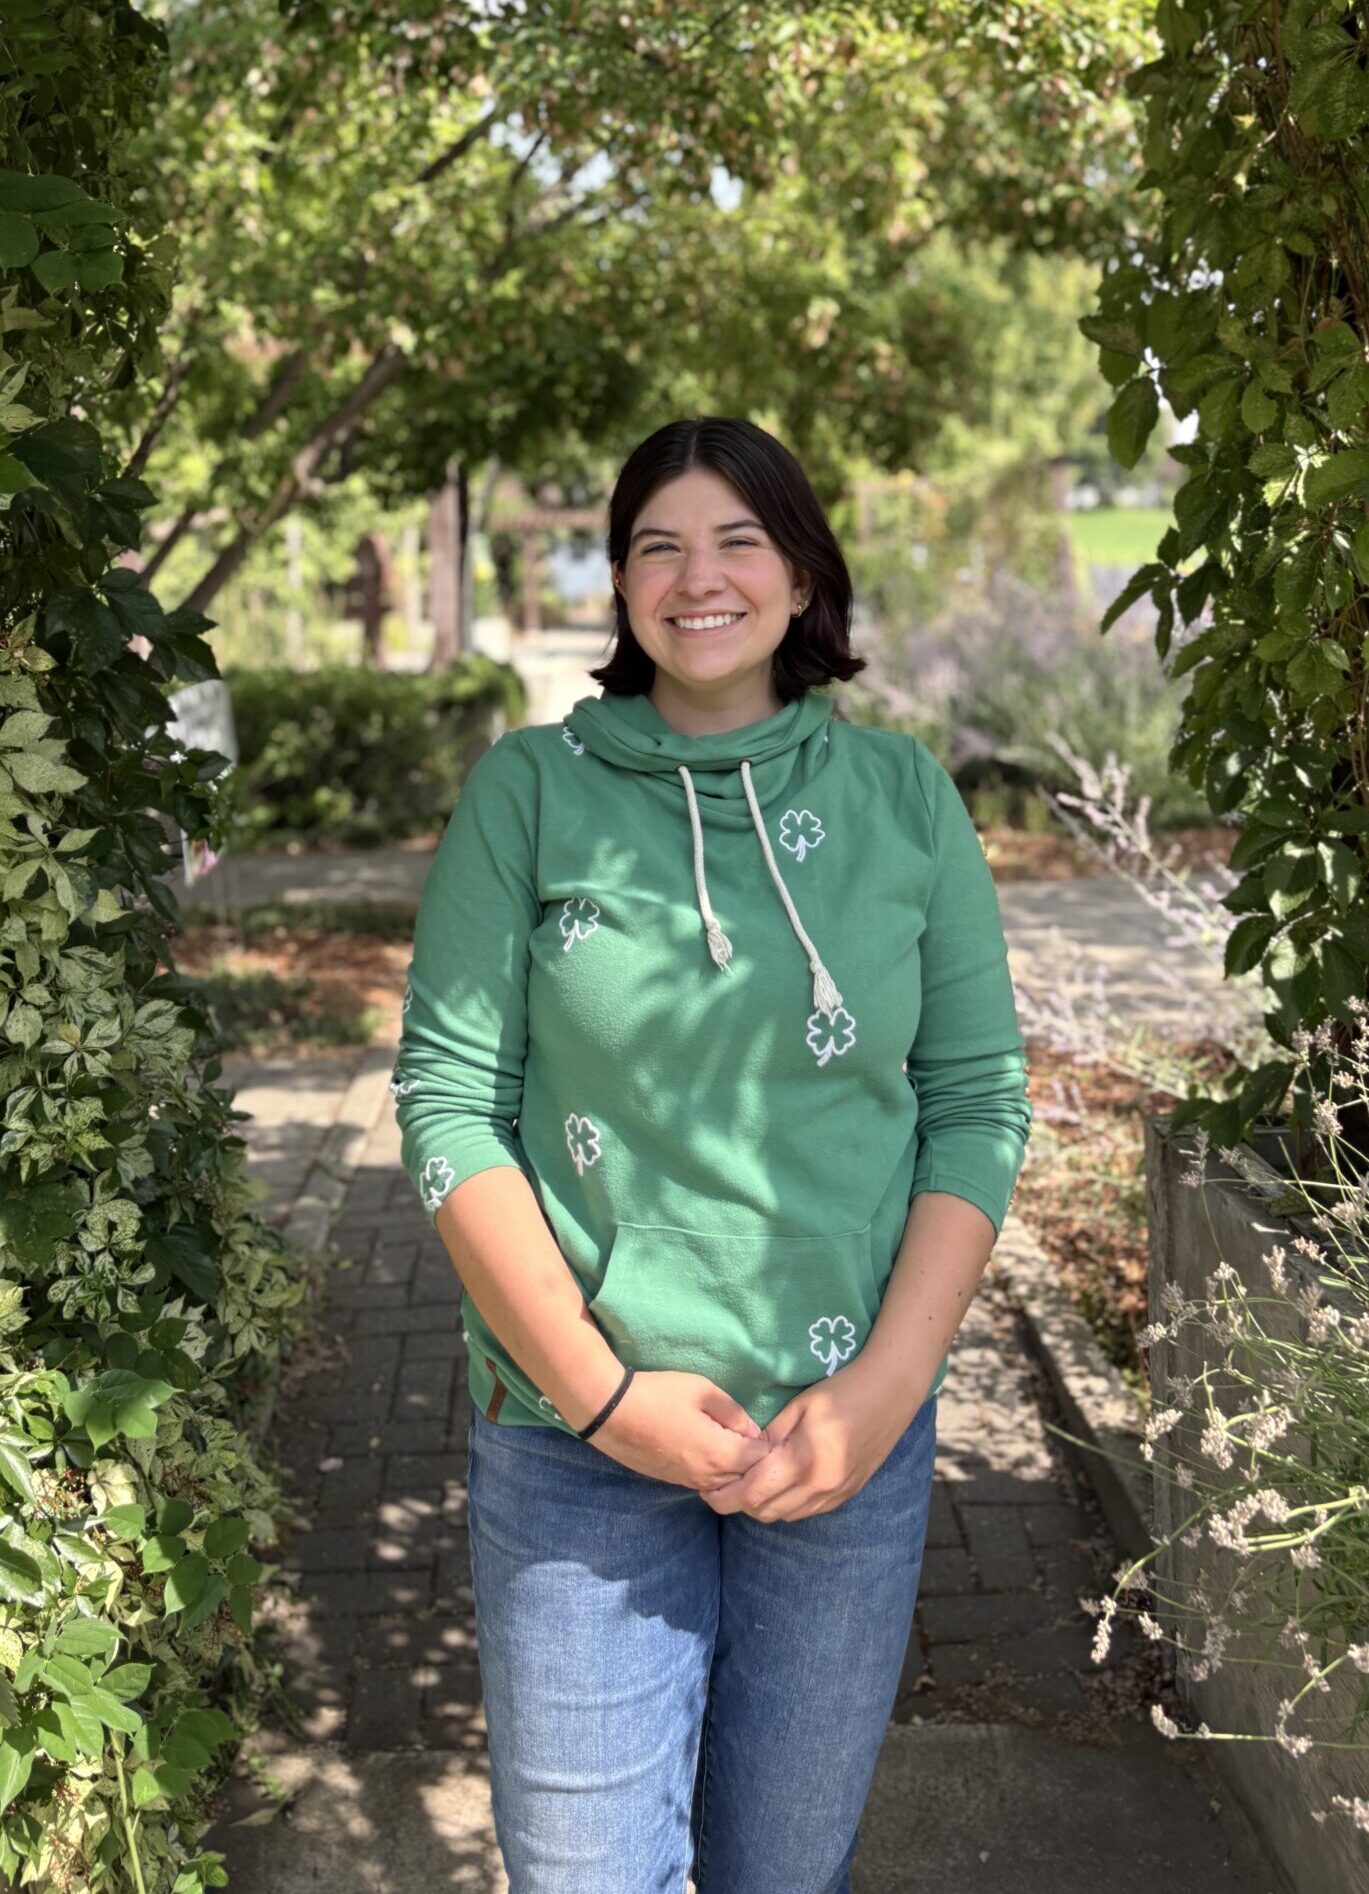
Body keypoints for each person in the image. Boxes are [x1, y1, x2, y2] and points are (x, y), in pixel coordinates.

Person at [392, 415, 1033, 1892]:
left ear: (803, 575)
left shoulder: (905, 803)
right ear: (617, 584)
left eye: (739, 539)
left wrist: (877, 1398)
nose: (699, 577)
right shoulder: (527, 793)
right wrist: (603, 1393)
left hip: (838, 1440)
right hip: (571, 1440)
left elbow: (976, 1103)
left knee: (781, 1872)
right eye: (656, 545)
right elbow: (445, 1105)